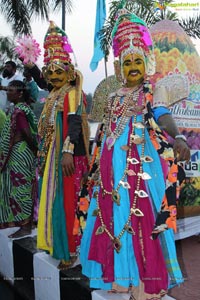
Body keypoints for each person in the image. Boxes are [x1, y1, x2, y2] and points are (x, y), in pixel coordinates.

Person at [80, 9, 190, 300]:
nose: (131, 66)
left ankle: (146, 284)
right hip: (109, 170)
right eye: (126, 61)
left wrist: (177, 136)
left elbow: (163, 115)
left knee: (141, 220)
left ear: (146, 63)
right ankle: (120, 277)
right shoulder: (113, 95)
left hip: (141, 167)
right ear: (119, 66)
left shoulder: (153, 91)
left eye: (136, 61)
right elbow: (104, 131)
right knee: (112, 219)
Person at [37, 21, 90, 269]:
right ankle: (55, 243)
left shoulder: (72, 92)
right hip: (54, 155)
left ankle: (71, 250)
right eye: (50, 72)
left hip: (68, 155)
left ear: (69, 72)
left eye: (59, 71)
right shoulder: (53, 95)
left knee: (69, 200)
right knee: (54, 198)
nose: (54, 76)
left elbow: (75, 123)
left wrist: (67, 151)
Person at [0, 80, 38, 238]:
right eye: (7, 89)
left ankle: (26, 225)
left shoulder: (20, 111)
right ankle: (24, 223)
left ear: (20, 93)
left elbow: (26, 133)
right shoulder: (19, 109)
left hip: (21, 156)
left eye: (11, 90)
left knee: (21, 189)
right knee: (19, 188)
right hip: (20, 153)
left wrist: (35, 150)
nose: (8, 92)